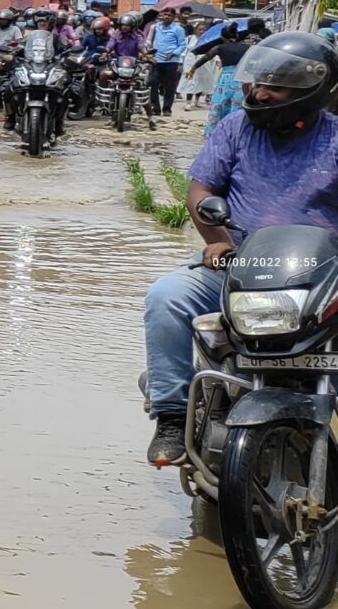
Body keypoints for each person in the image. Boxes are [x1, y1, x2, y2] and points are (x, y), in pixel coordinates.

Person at [143, 31, 338, 465]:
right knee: (166, 297)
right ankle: (173, 415)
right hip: (238, 265)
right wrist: (217, 240)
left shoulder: (335, 138)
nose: (259, 93)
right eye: (256, 83)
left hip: (323, 279)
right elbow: (200, 190)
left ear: (310, 89)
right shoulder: (234, 129)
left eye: (275, 86)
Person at [192, 22, 250, 135]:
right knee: (237, 105)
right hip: (241, 78)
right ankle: (236, 132)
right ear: (237, 36)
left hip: (226, 79)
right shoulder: (247, 48)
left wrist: (193, 68)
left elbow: (206, 57)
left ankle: (215, 132)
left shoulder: (219, 47)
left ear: (222, 37)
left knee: (220, 104)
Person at [104, 12, 156, 130]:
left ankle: (151, 118)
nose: (124, 27)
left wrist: (148, 57)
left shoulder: (138, 37)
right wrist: (105, 52)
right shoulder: (115, 35)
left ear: (133, 27)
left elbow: (142, 47)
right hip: (118, 65)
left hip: (133, 67)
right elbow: (110, 45)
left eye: (127, 25)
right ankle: (107, 106)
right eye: (122, 25)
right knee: (104, 75)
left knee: (141, 88)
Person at [148, 7, 187, 116]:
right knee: (153, 84)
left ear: (174, 17)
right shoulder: (156, 27)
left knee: (169, 86)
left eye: (169, 15)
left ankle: (167, 108)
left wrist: (174, 53)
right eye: (164, 14)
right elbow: (149, 41)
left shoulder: (178, 29)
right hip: (156, 60)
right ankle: (155, 108)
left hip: (171, 61)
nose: (166, 17)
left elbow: (182, 45)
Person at [181, 22, 217, 109]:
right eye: (199, 29)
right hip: (190, 61)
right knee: (190, 80)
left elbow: (214, 51)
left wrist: (216, 61)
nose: (201, 32)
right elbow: (183, 51)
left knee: (201, 81)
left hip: (203, 61)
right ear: (195, 30)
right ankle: (188, 102)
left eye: (203, 30)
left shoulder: (209, 39)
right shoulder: (189, 39)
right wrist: (180, 63)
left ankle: (197, 100)